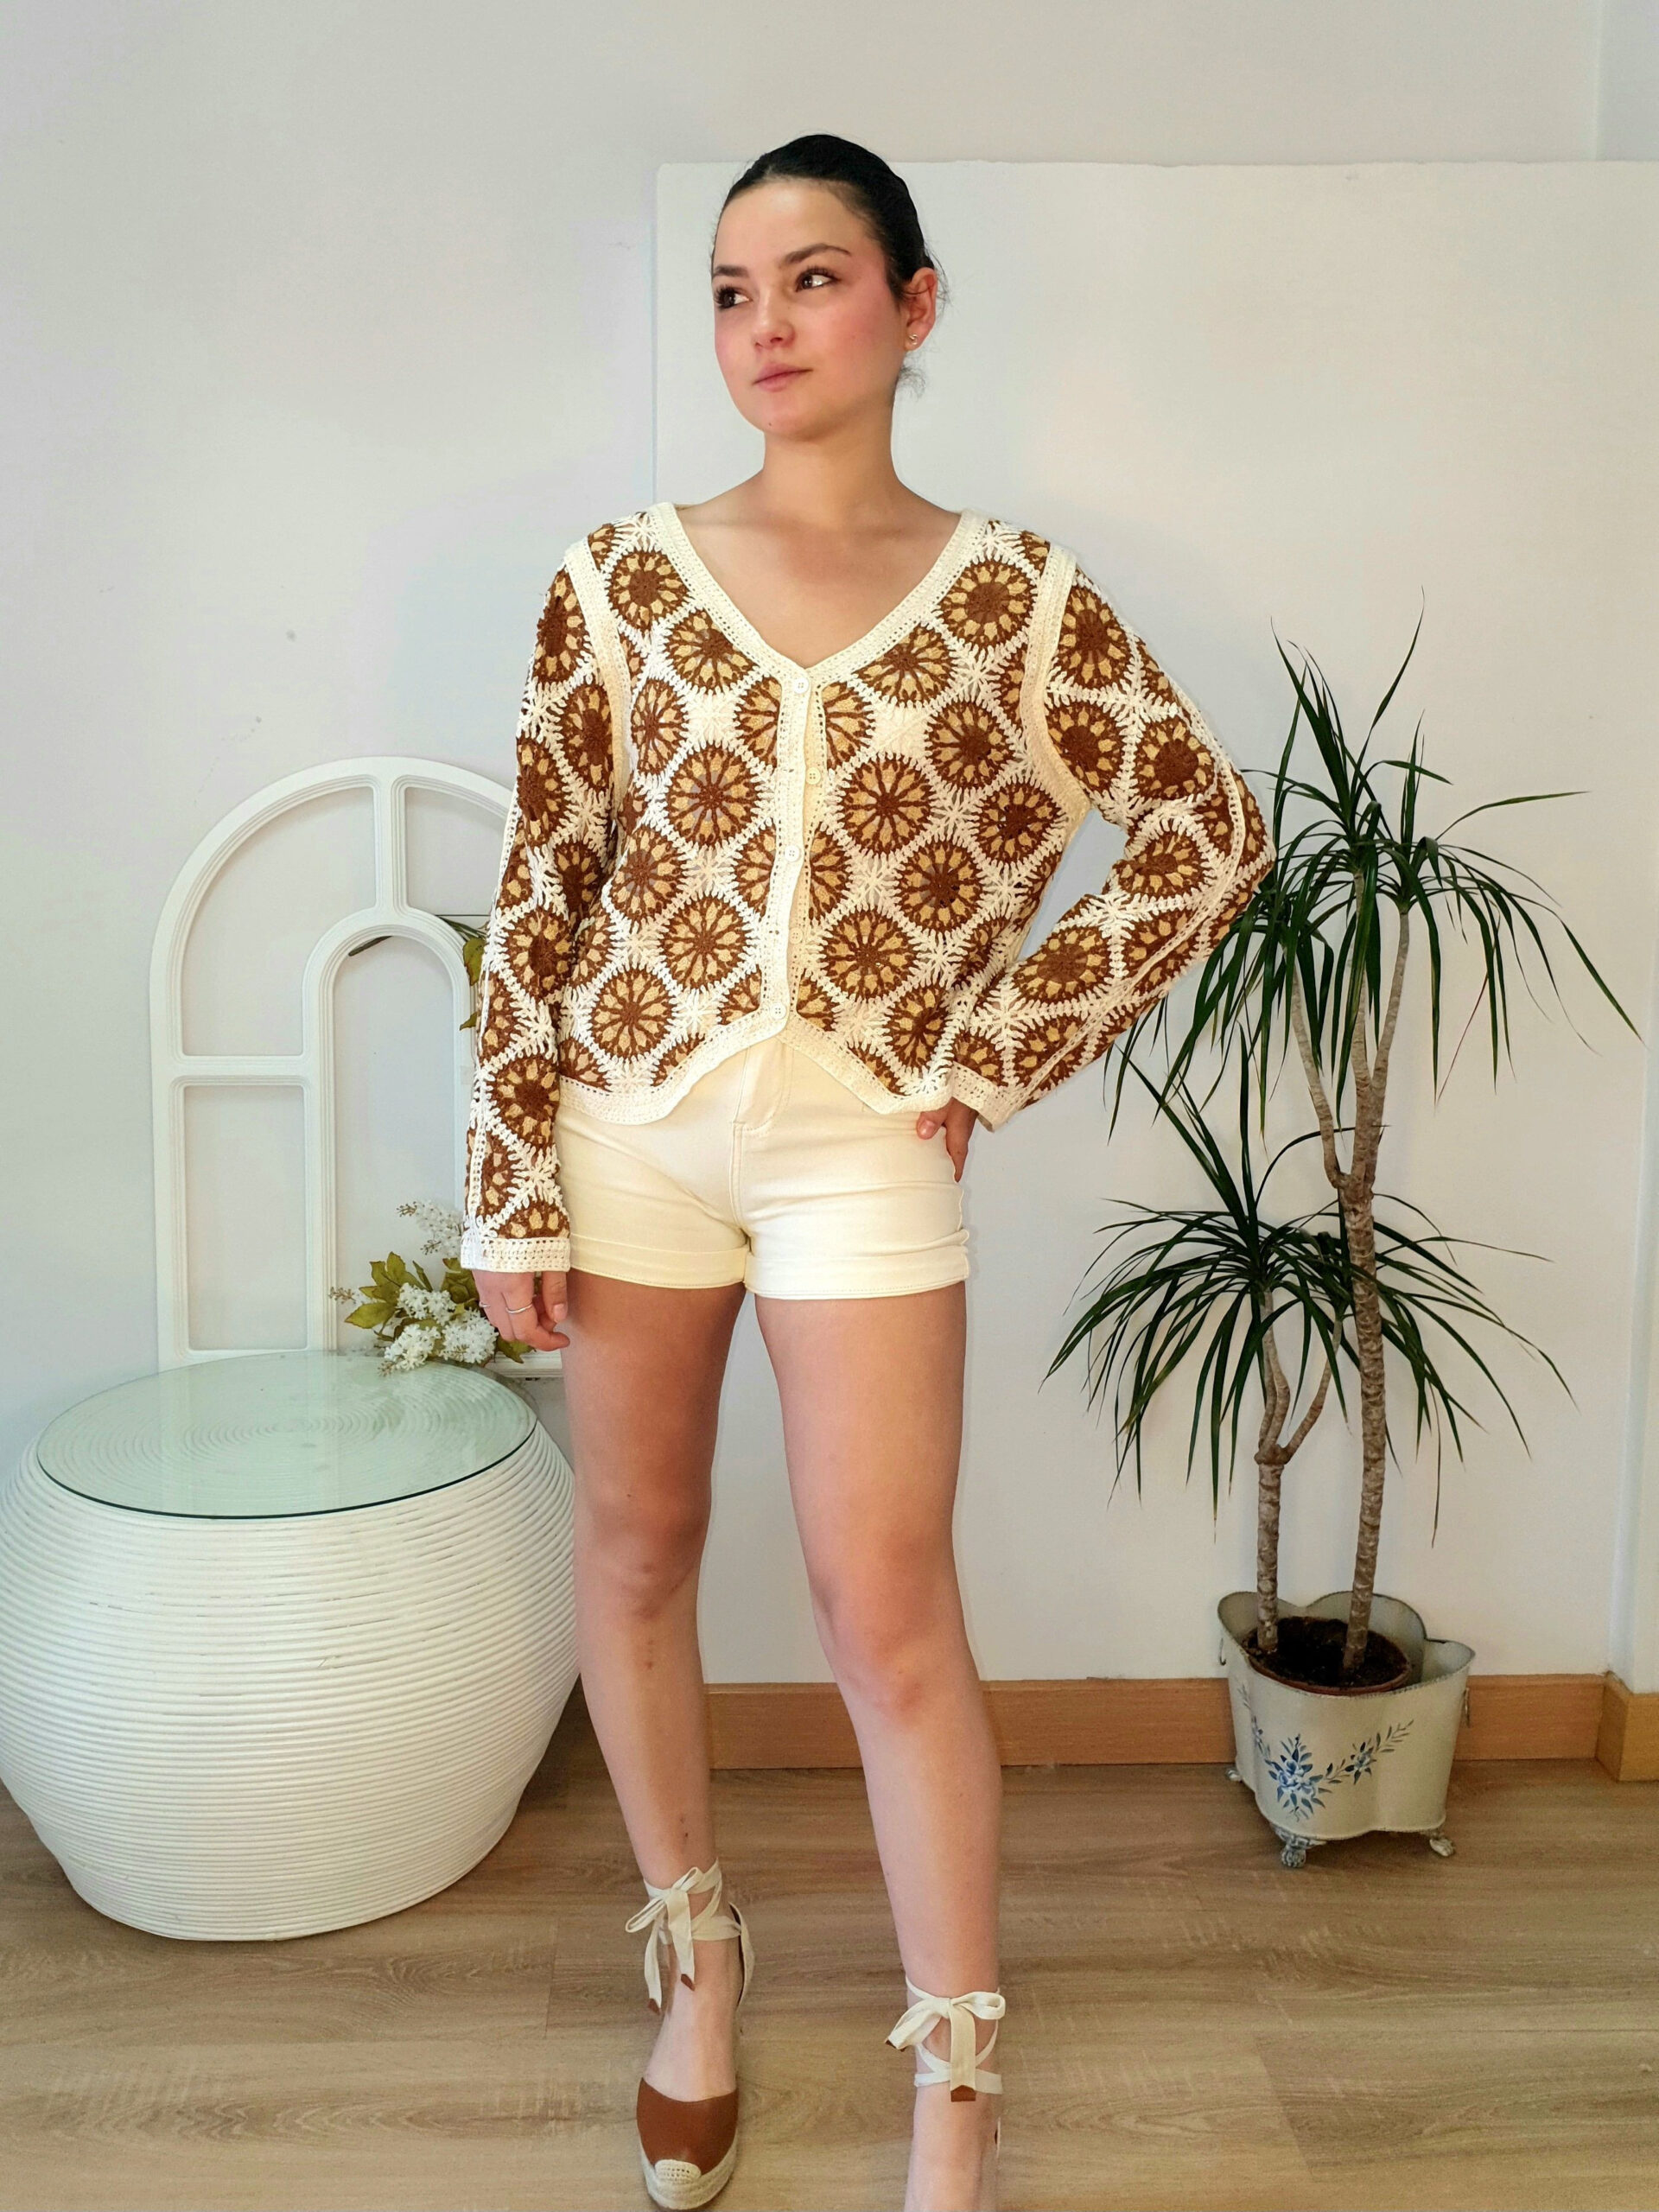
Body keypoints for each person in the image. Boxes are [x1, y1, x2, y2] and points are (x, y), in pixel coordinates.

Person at [460, 133, 1274, 2212]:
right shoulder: (618, 579)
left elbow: (1206, 824)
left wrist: (995, 1044)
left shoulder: (1016, 597)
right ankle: (698, 1962)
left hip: (862, 1152)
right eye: (732, 291)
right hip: (625, 1129)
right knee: (636, 1546)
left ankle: (955, 2086)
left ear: (915, 305)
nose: (765, 326)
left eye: (813, 278)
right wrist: (510, 1178)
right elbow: (545, 884)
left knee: (887, 1607)